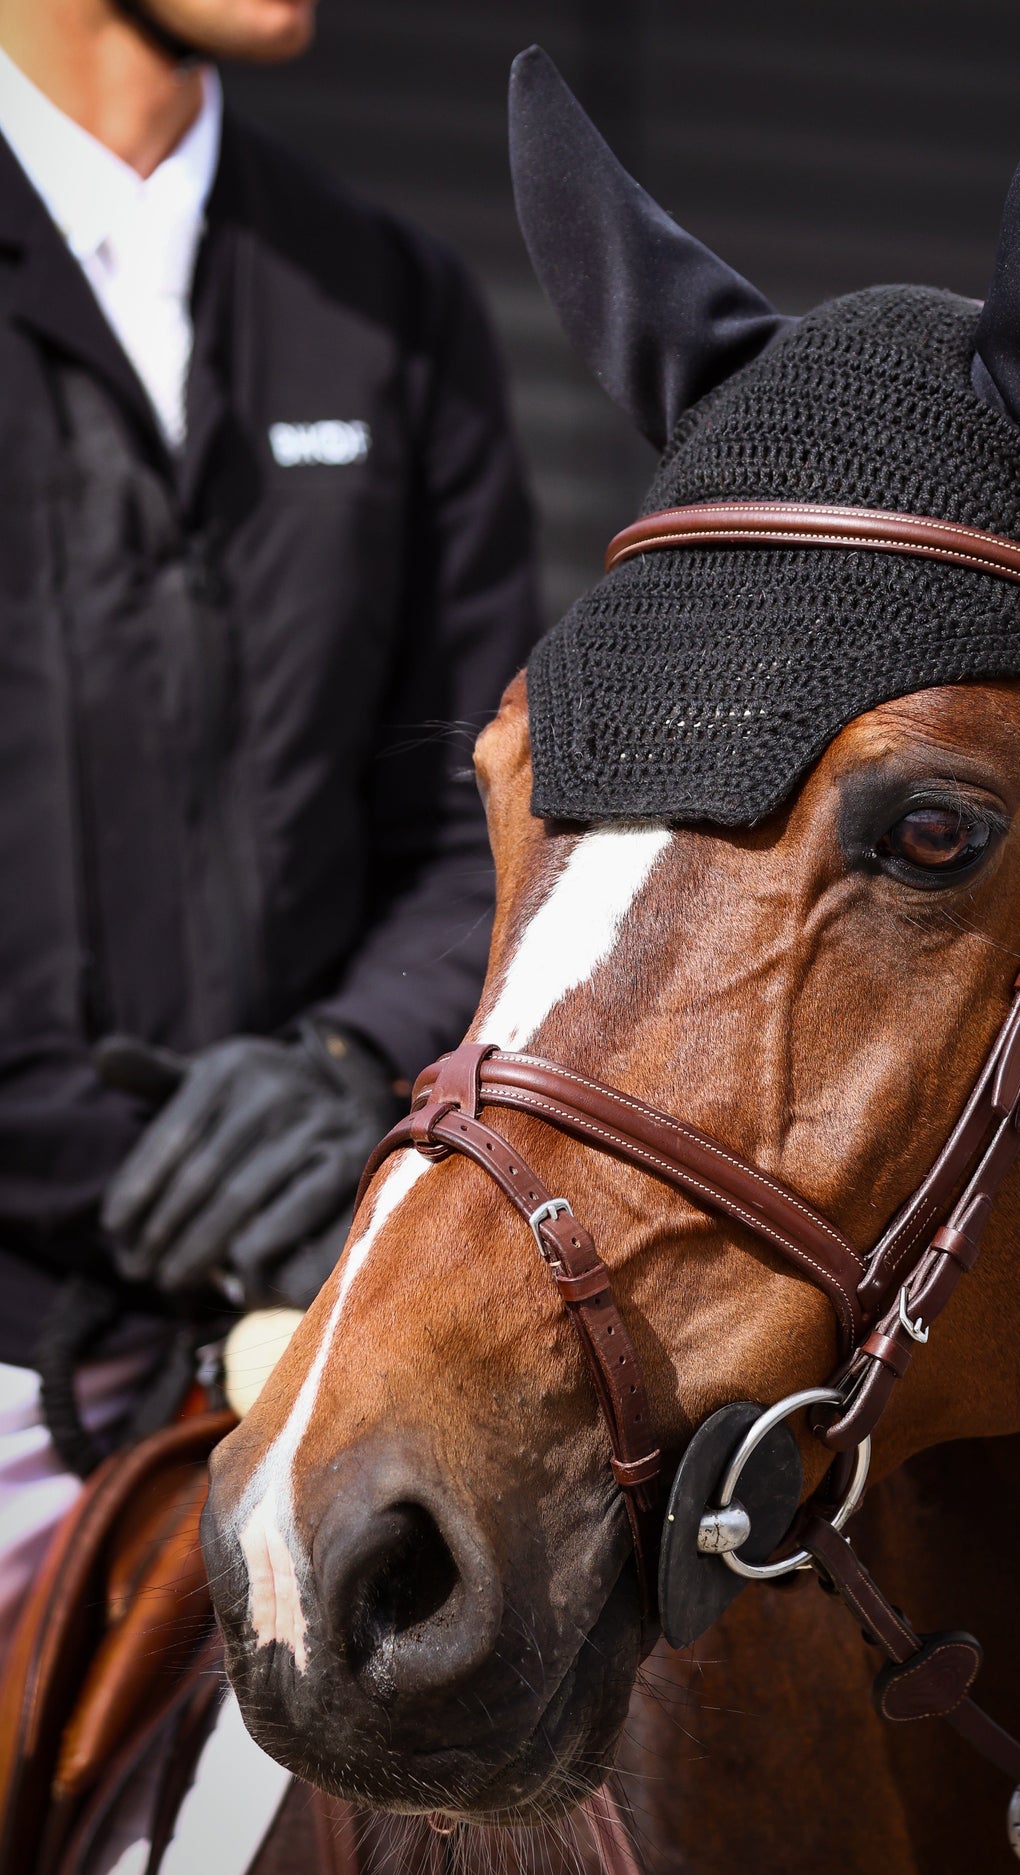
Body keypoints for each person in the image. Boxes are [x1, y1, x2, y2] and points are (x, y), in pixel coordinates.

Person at [0, 0, 539, 1660]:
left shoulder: (392, 302)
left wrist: (335, 1075)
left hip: (315, 1311)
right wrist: (143, 1168)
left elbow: (478, 816)